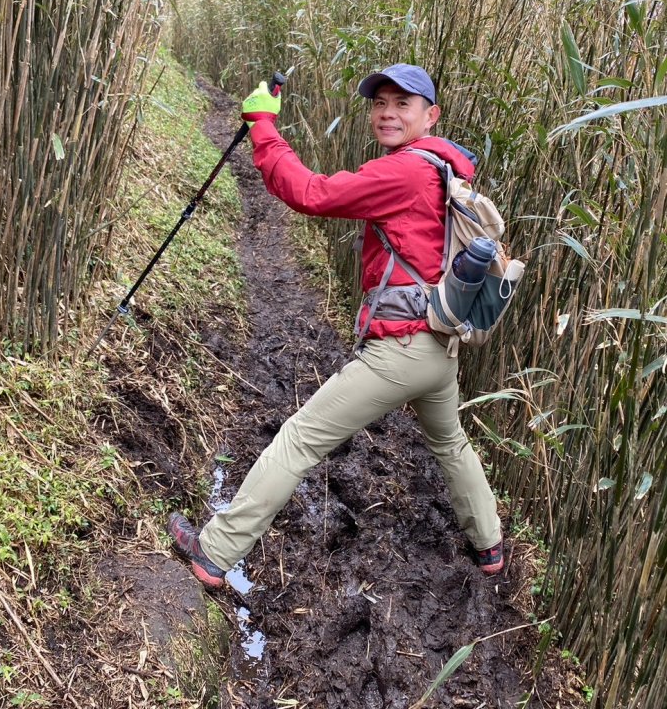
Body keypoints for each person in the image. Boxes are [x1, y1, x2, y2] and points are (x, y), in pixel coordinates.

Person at [167, 63, 503, 589]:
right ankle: (490, 546)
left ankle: (214, 552)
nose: (387, 113)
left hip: (401, 352)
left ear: (430, 115)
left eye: (402, 104)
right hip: (439, 349)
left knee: (299, 440)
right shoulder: (441, 169)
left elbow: (312, 193)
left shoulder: (408, 170)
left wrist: (263, 126)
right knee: (451, 444)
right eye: (379, 103)